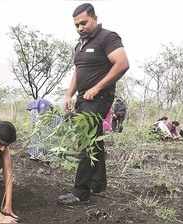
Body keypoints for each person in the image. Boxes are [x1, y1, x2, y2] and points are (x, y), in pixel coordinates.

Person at [59, 3, 129, 205]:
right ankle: (98, 183)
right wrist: (68, 95)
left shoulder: (108, 37)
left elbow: (122, 64)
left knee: (86, 141)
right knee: (94, 139)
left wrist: (98, 87)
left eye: (84, 22)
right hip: (82, 98)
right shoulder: (79, 44)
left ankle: (80, 191)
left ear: (94, 18)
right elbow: (77, 71)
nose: (80, 27)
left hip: (99, 98)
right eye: (77, 25)